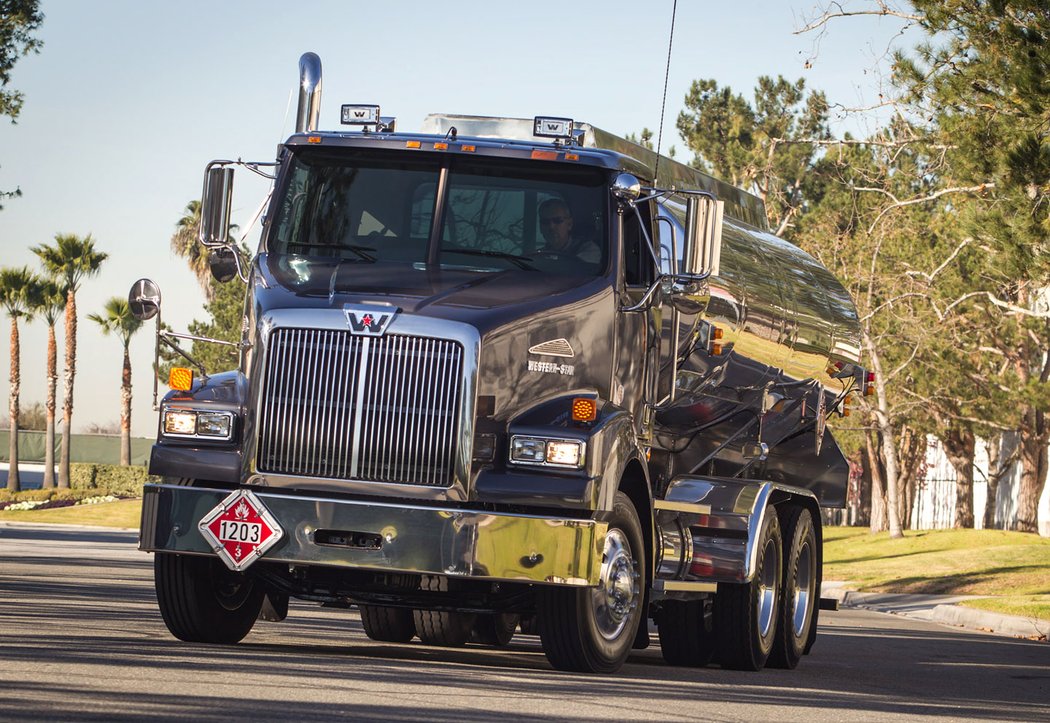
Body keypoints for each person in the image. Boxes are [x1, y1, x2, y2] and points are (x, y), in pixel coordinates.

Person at [537, 198, 601, 263]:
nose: (551, 227)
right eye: (545, 222)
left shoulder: (589, 250)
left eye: (558, 220)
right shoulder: (537, 256)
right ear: (540, 227)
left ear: (569, 224)